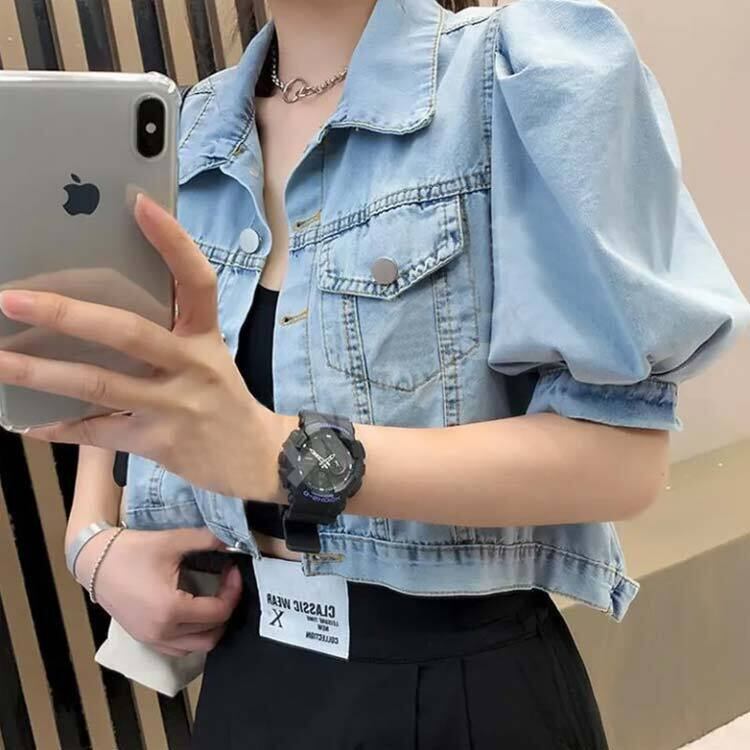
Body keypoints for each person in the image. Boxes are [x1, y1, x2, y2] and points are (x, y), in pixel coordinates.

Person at [1, 0, 747, 747]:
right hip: (244, 668)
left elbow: (622, 459)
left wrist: (277, 453)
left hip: (460, 686)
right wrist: (91, 548)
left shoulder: (512, 76)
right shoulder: (188, 129)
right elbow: (125, 386)